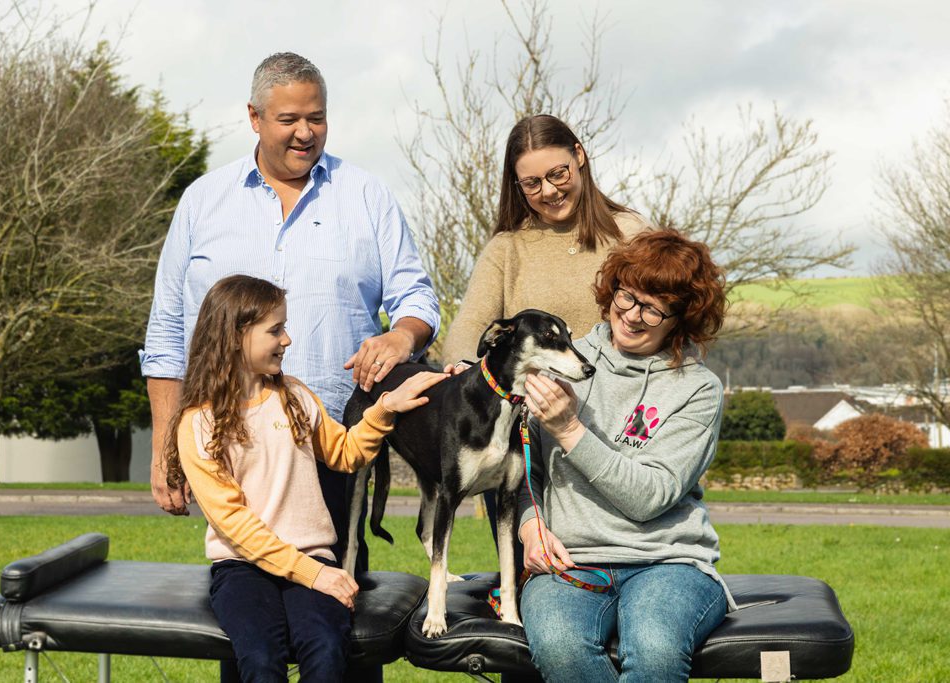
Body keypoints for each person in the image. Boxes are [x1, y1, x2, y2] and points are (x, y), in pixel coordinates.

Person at [142, 51, 439, 533]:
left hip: (333, 443)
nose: (306, 132)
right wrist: (163, 448)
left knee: (334, 595)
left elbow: (417, 299)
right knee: (242, 590)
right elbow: (167, 335)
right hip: (225, 443)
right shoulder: (202, 201)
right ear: (254, 118)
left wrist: (401, 337)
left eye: (317, 118)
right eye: (289, 119)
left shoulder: (368, 196)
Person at [165, 274, 446, 682]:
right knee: (261, 658)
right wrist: (317, 575)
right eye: (275, 330)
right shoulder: (199, 423)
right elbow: (235, 525)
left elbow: (346, 453)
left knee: (327, 648)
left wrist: (387, 408)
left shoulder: (294, 396)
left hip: (313, 556)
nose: (287, 340)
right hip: (241, 567)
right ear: (235, 336)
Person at [517, 228, 736, 683]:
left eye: (654, 309)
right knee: (559, 644)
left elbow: (650, 496)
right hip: (570, 559)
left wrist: (570, 429)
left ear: (682, 318)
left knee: (654, 649)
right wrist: (529, 526)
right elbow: (520, 468)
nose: (633, 316)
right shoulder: (559, 358)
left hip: (668, 562)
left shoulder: (698, 390)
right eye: (627, 297)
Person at [441, 114, 650, 367]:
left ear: (579, 155)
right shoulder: (506, 248)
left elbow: (668, 320)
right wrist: (464, 368)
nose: (549, 190)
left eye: (558, 174)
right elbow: (471, 325)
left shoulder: (631, 234)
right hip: (533, 401)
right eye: (532, 183)